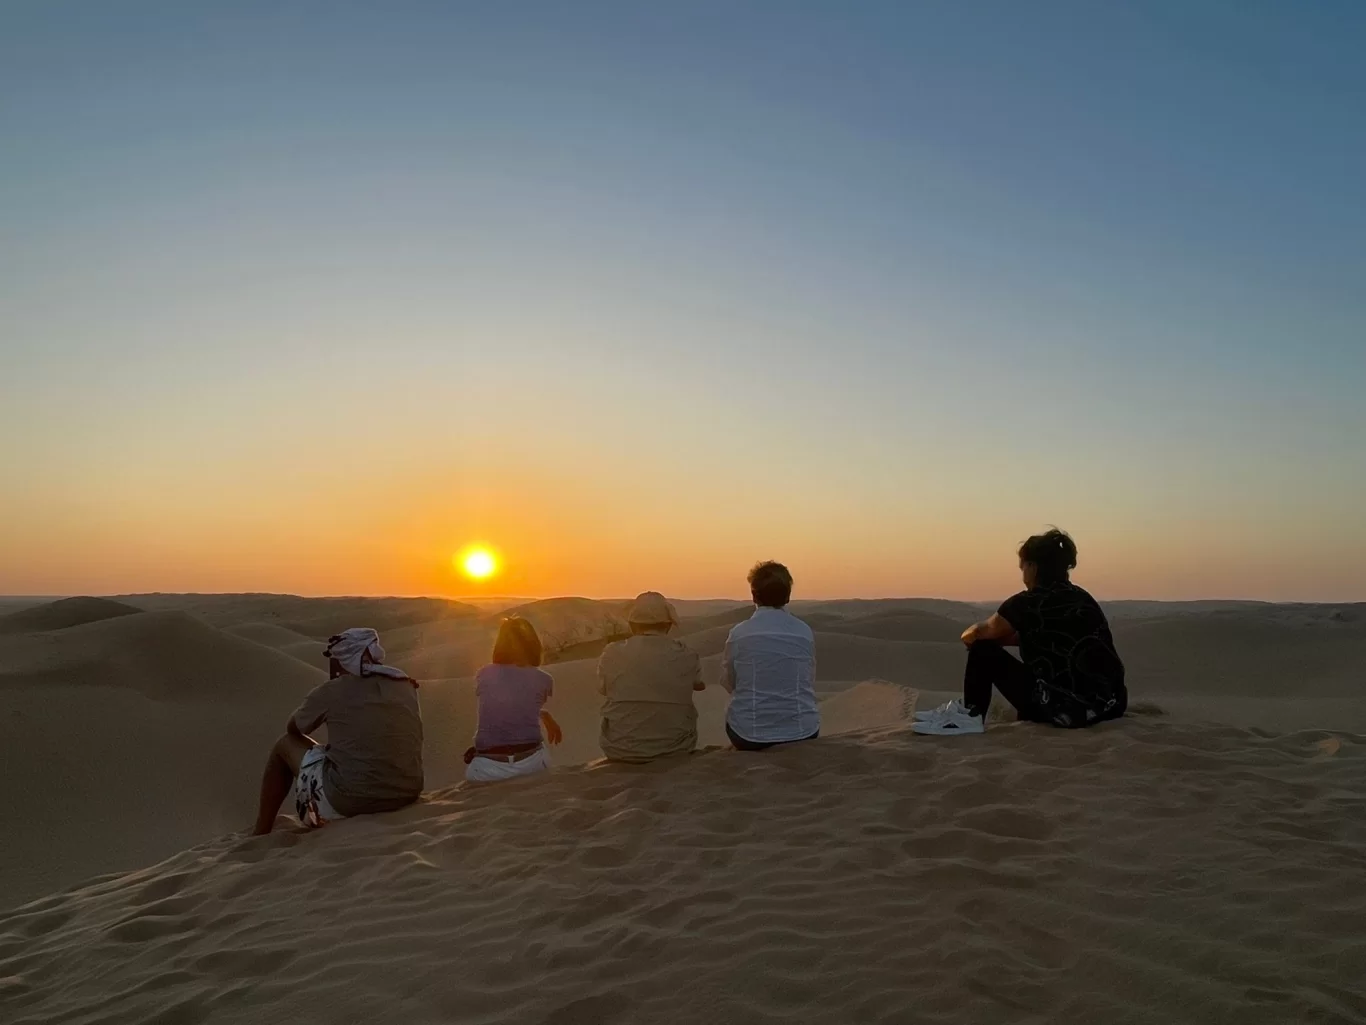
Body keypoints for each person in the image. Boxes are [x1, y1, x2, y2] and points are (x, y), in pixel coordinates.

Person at [914, 528, 1127, 736]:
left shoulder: (1026, 603)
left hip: (1065, 710)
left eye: (1022, 567)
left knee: (983, 650)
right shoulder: (1083, 598)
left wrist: (971, 636)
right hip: (1110, 706)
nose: (1023, 574)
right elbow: (1055, 639)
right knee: (1042, 680)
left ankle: (970, 716)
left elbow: (979, 634)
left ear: (1033, 567)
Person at [252, 627, 423, 835]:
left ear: (343, 660)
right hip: (407, 792)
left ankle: (261, 831)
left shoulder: (331, 691)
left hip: (352, 799)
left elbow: (293, 729)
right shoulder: (405, 684)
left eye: (334, 660)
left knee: (284, 745)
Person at [720, 561, 819, 751]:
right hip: (804, 732)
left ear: (753, 596)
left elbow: (729, 683)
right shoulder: (803, 631)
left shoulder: (739, 634)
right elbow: (809, 679)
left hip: (749, 736)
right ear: (788, 596)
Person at [597, 591, 705, 763]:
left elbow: (603, 689)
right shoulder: (687, 654)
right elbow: (699, 685)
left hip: (619, 749)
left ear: (632, 624)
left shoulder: (611, 653)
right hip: (676, 748)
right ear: (669, 624)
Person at [465, 616, 563, 782]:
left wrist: (542, 713)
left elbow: (507, 701)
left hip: (487, 770)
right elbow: (523, 703)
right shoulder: (544, 680)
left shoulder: (484, 674)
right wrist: (544, 714)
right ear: (534, 646)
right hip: (532, 764)